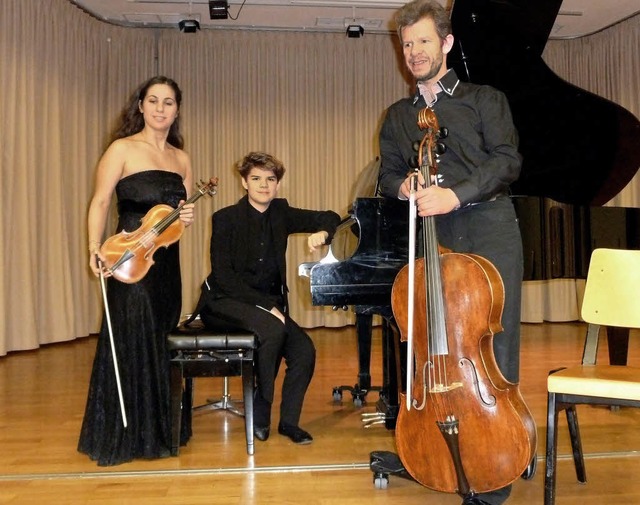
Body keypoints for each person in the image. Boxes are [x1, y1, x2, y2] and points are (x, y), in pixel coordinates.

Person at [377, 1, 524, 504]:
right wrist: (406, 186)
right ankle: (438, 447)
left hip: (486, 227)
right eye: (406, 43)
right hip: (432, 235)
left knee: (491, 346)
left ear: (446, 43)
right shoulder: (398, 117)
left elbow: (507, 161)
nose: (413, 51)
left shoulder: (485, 99)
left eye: (422, 41)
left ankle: (497, 464)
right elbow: (386, 175)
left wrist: (455, 194)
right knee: (433, 346)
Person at [79, 75, 195, 466]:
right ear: (141, 106)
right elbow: (99, 202)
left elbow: (178, 218)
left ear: (177, 110)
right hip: (128, 258)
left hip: (165, 263)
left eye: (168, 102)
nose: (161, 108)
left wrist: (187, 215)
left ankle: (159, 432)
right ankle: (126, 435)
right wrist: (95, 248)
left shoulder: (181, 158)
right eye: (153, 100)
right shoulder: (122, 149)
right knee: (132, 336)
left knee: (161, 337)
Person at [196, 152, 340, 445]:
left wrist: (324, 233)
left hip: (267, 306)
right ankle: (260, 417)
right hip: (224, 301)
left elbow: (331, 217)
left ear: (277, 184)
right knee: (272, 329)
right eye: (256, 178)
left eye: (270, 179)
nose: (264, 185)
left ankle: (288, 423)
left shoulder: (280, 213)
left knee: (304, 351)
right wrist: (267, 307)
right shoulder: (224, 218)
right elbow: (224, 278)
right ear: (244, 182)